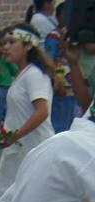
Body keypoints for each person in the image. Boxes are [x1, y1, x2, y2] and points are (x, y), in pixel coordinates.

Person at [0, 24, 54, 202]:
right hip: (17, 148)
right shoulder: (22, 75)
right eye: (4, 43)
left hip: (32, 148)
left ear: (28, 46)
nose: (6, 47)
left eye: (12, 42)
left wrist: (15, 135)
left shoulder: (34, 75)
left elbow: (42, 111)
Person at [45, 2, 77, 134]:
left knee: (71, 122)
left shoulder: (72, 36)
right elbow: (50, 61)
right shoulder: (53, 37)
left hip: (74, 85)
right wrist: (58, 82)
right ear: (59, 17)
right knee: (60, 124)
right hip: (62, 86)